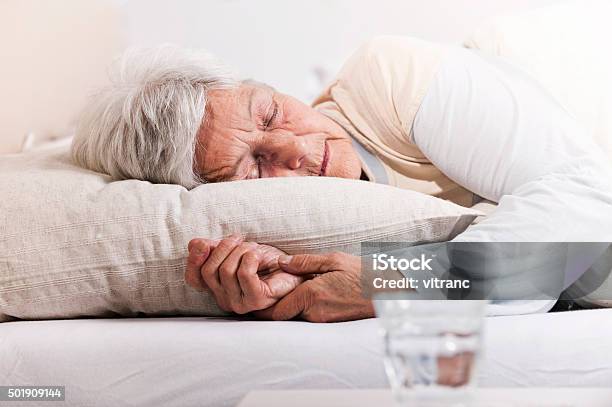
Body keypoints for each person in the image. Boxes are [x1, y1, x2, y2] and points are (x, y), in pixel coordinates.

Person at [71, 37, 612, 321]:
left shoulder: (392, 77)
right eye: (253, 167)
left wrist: (392, 283)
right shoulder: (272, 225)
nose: (297, 150)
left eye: (269, 114)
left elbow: (588, 201)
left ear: (270, 86)